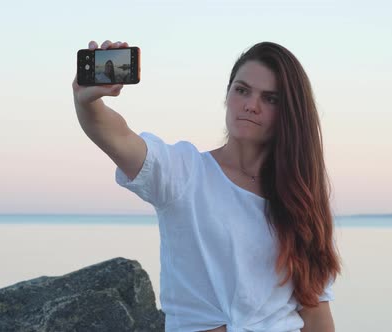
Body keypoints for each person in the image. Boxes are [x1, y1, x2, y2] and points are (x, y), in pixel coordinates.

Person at [72, 40, 341, 332]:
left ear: (289, 112)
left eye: (270, 99)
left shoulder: (298, 199)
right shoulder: (185, 173)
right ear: (227, 95)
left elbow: (315, 312)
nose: (251, 105)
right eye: (242, 90)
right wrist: (87, 102)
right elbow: (117, 137)